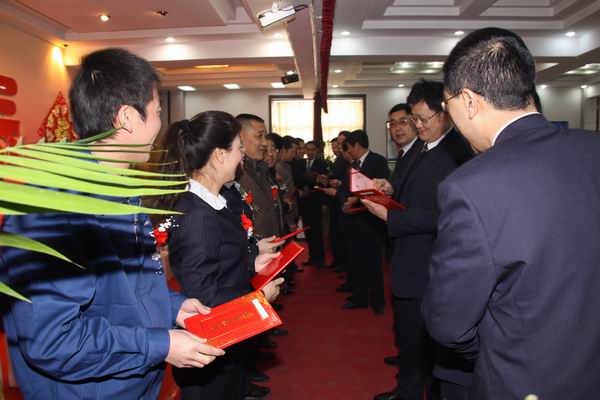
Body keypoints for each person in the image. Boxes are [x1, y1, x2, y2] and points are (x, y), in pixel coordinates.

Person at [0, 48, 223, 400]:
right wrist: (160, 345)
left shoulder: (117, 185)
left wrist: (173, 307)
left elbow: (124, 290)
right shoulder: (55, 208)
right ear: (127, 118)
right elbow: (55, 342)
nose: (160, 124)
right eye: (157, 112)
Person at [422, 27, 600, 400]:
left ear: (468, 101)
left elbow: (448, 322)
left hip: (524, 382)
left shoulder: (471, 187)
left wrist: (498, 348)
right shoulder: (592, 148)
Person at [155, 111, 283, 399]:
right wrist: (260, 299)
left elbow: (220, 261)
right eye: (238, 147)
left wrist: (252, 263)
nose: (242, 155)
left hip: (227, 338)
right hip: (210, 347)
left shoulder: (215, 201)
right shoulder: (197, 213)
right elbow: (204, 295)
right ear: (219, 155)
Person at [365, 80, 473, 400]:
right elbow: (411, 190)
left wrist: (391, 218)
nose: (418, 125)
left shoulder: (458, 152)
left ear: (446, 113)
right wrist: (389, 188)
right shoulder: (421, 148)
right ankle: (408, 390)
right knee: (409, 337)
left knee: (428, 343)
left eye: (424, 118)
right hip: (409, 260)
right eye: (415, 118)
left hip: (430, 265)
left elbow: (445, 213)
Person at [381, 103, 421, 367]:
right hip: (403, 244)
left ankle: (411, 367)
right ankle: (406, 358)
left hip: (417, 248)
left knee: (413, 322)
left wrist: (388, 213)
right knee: (404, 321)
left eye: (403, 121)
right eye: (392, 123)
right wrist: (388, 189)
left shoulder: (422, 153)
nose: (397, 128)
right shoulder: (405, 154)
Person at [339, 130, 389, 315]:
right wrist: (345, 202)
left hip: (371, 222)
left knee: (373, 263)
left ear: (357, 145)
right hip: (353, 221)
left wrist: (357, 200)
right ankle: (359, 297)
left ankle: (378, 301)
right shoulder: (352, 165)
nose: (348, 152)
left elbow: (380, 192)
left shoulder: (378, 161)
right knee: (356, 262)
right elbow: (344, 189)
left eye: (349, 148)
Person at [236, 114, 280, 238]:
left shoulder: (261, 168)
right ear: (240, 137)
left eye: (265, 136)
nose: (265, 143)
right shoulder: (233, 174)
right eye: (259, 136)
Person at [293, 140, 328, 266]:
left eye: (312, 150)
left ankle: (320, 259)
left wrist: (324, 204)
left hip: (316, 202)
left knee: (317, 231)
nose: (309, 152)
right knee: (307, 230)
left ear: (316, 151)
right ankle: (312, 257)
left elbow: (323, 183)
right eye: (307, 149)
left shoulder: (321, 164)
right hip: (303, 202)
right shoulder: (300, 163)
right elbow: (298, 180)